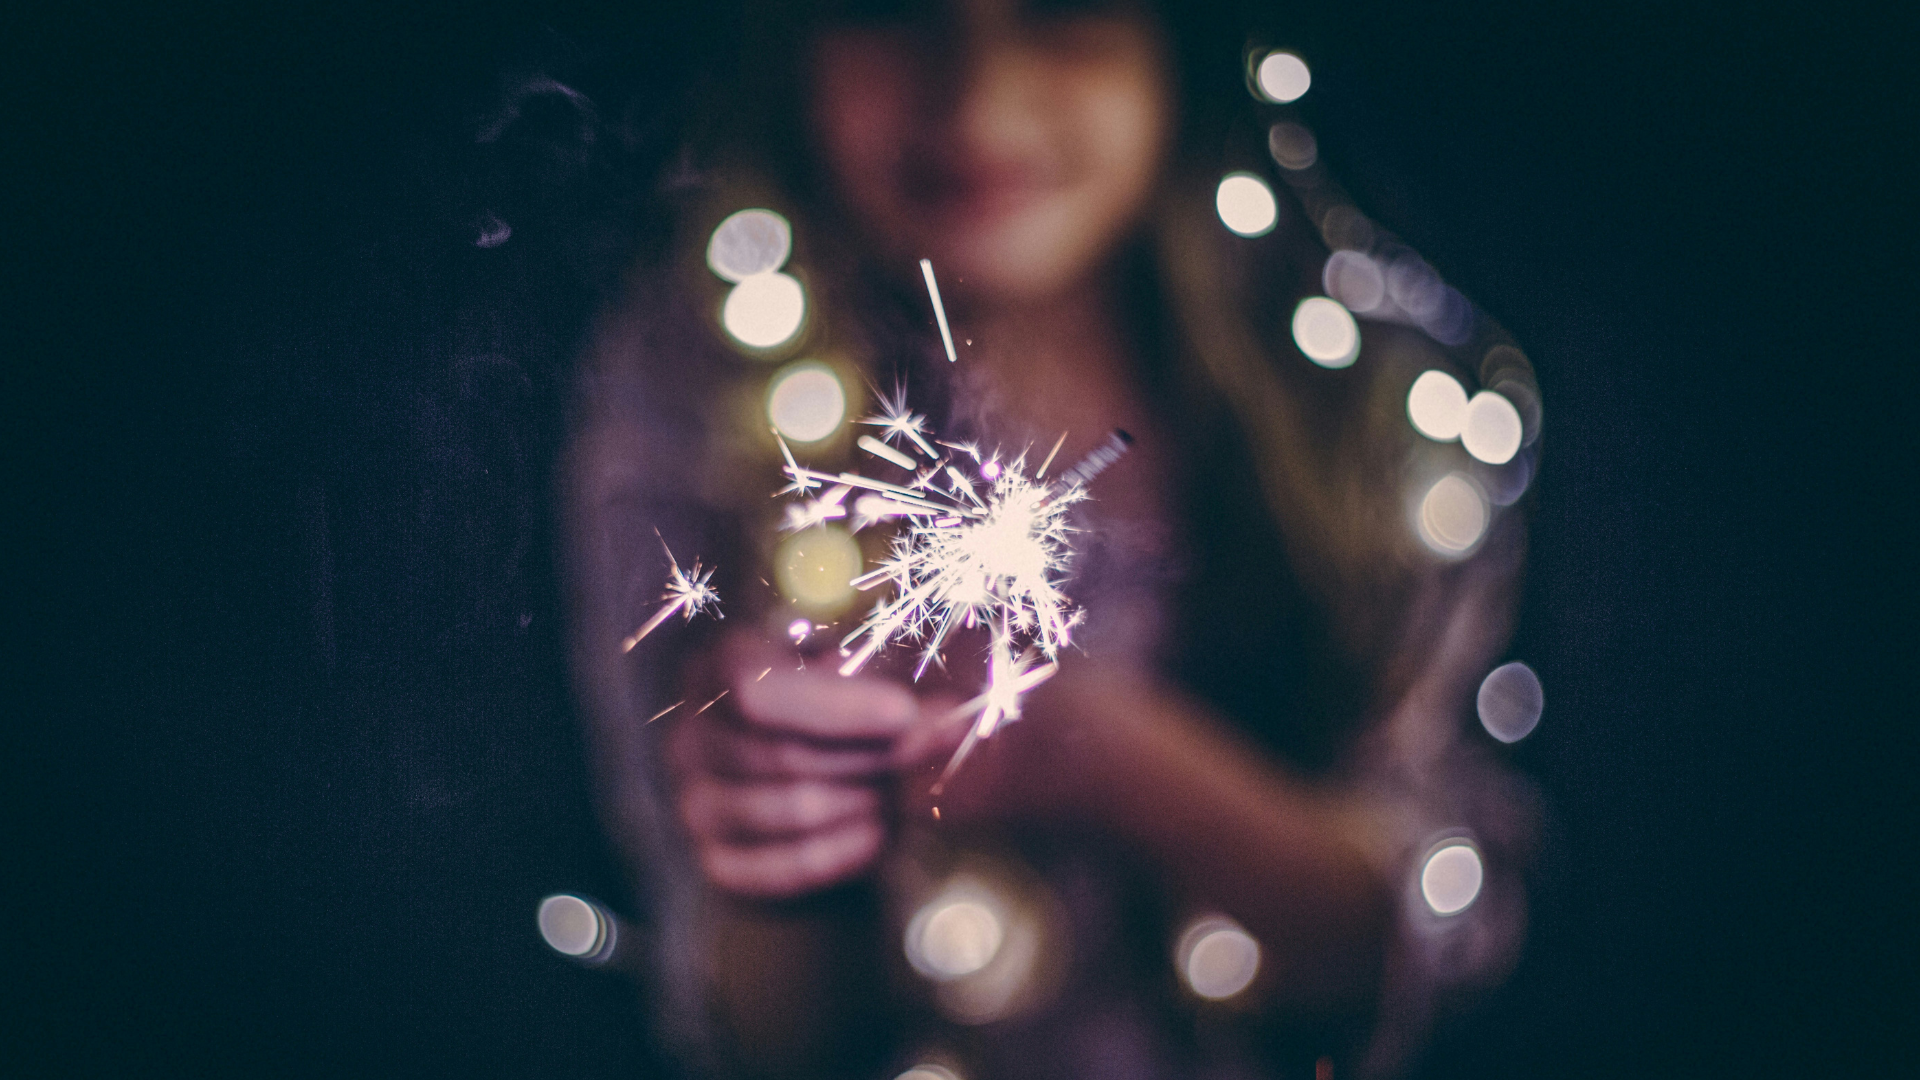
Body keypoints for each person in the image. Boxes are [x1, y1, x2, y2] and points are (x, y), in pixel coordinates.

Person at [566, 1, 1541, 1076]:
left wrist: (1110, 759)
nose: (979, 101)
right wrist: (787, 866)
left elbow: (1416, 934)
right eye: (894, 8)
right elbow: (763, 1038)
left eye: (1065, 9)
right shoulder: (694, 399)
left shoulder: (1363, 397)